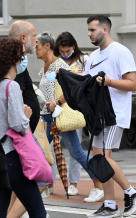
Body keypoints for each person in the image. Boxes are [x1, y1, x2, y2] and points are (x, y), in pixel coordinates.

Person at [0, 37, 47, 218]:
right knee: (37, 211)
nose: (23, 60)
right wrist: (26, 117)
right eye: (22, 56)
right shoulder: (11, 86)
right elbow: (18, 125)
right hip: (13, 156)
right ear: (14, 59)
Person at [37, 31, 101, 200]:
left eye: (37, 46)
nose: (34, 49)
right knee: (42, 151)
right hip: (48, 115)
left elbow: (73, 90)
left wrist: (56, 102)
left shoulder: (61, 65)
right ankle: (41, 186)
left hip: (61, 113)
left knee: (73, 152)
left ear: (47, 47)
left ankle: (97, 183)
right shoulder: (46, 65)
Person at [85, 15, 136, 218]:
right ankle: (110, 204)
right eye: (88, 30)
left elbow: (132, 84)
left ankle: (131, 192)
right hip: (98, 115)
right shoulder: (94, 56)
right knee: (100, 158)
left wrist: (109, 82)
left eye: (92, 30)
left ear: (105, 29)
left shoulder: (121, 52)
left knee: (102, 158)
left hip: (115, 114)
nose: (89, 34)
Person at [8, 20, 40, 133]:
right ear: (23, 38)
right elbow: (16, 99)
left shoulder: (18, 60)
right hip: (23, 131)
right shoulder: (17, 62)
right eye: (34, 36)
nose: (36, 40)